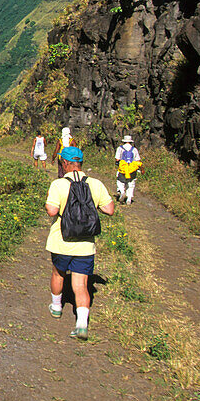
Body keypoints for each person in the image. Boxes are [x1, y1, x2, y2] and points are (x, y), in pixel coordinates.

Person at [44, 146, 114, 340]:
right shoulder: (96, 184)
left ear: (65, 163)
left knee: (58, 274)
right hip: (85, 244)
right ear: (80, 162)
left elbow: (51, 210)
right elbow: (109, 209)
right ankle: (82, 324)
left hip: (61, 241)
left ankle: (56, 307)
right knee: (81, 284)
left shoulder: (58, 184)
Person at [113, 135, 143, 204]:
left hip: (123, 169)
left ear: (124, 141)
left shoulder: (120, 149)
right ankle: (129, 199)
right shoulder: (134, 149)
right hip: (132, 169)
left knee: (120, 181)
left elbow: (117, 159)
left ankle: (122, 192)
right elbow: (138, 160)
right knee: (131, 183)